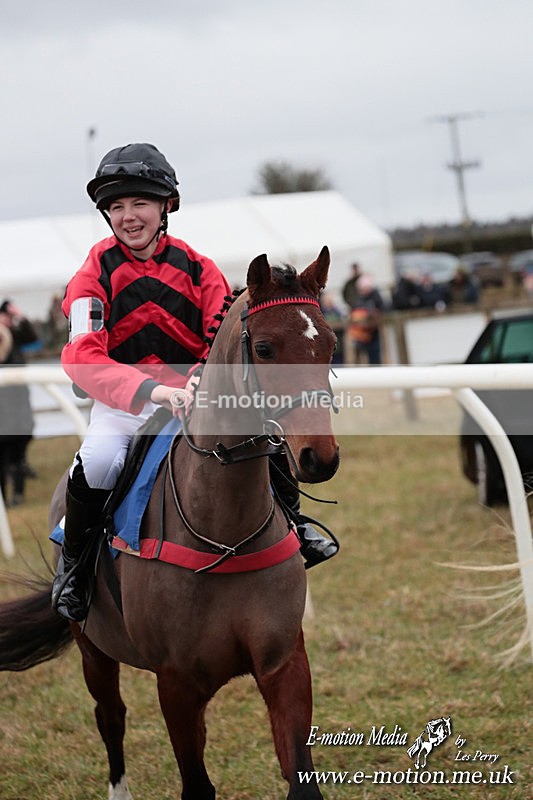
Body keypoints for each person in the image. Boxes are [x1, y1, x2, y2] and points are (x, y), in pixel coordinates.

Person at [51, 142, 336, 623]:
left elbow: (220, 340)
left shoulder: (199, 268)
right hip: (126, 406)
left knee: (261, 438)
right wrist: (154, 391)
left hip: (197, 399)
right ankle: (76, 571)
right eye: (116, 207)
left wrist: (201, 378)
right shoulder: (91, 275)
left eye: (139, 203)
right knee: (98, 459)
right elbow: (82, 356)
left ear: (166, 207)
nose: (128, 216)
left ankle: (296, 523)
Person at [0, 301, 39, 504]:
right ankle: (5, 498)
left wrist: (20, 316)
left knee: (18, 452)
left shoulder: (14, 337)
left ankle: (17, 495)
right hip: (3, 407)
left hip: (18, 405)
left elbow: (32, 337)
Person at [347, 275, 384, 365]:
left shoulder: (376, 297)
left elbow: (383, 309)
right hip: (361, 334)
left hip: (373, 333)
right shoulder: (359, 300)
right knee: (361, 357)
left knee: (375, 357)